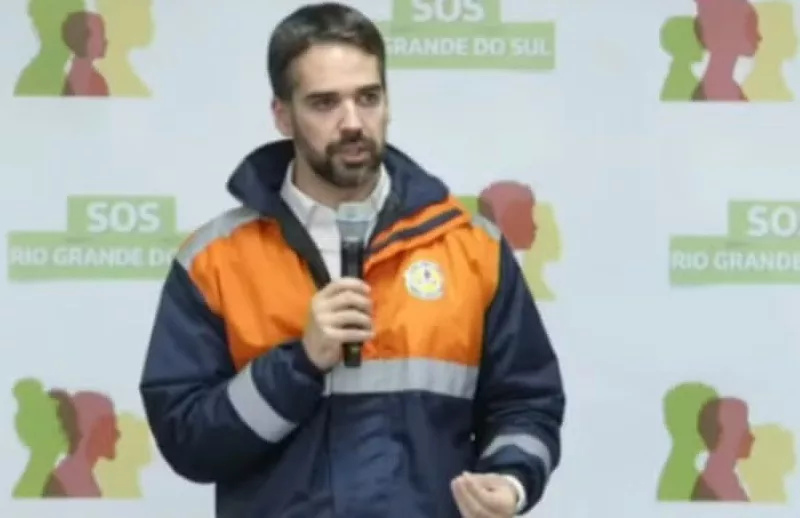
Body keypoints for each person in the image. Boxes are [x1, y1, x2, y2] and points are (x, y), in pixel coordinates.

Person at [139, 3, 565, 517]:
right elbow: (187, 440)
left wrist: (511, 478)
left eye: (368, 98)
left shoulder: (471, 247)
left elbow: (527, 402)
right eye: (324, 103)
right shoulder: (215, 260)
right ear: (282, 115)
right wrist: (299, 364)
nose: (352, 123)